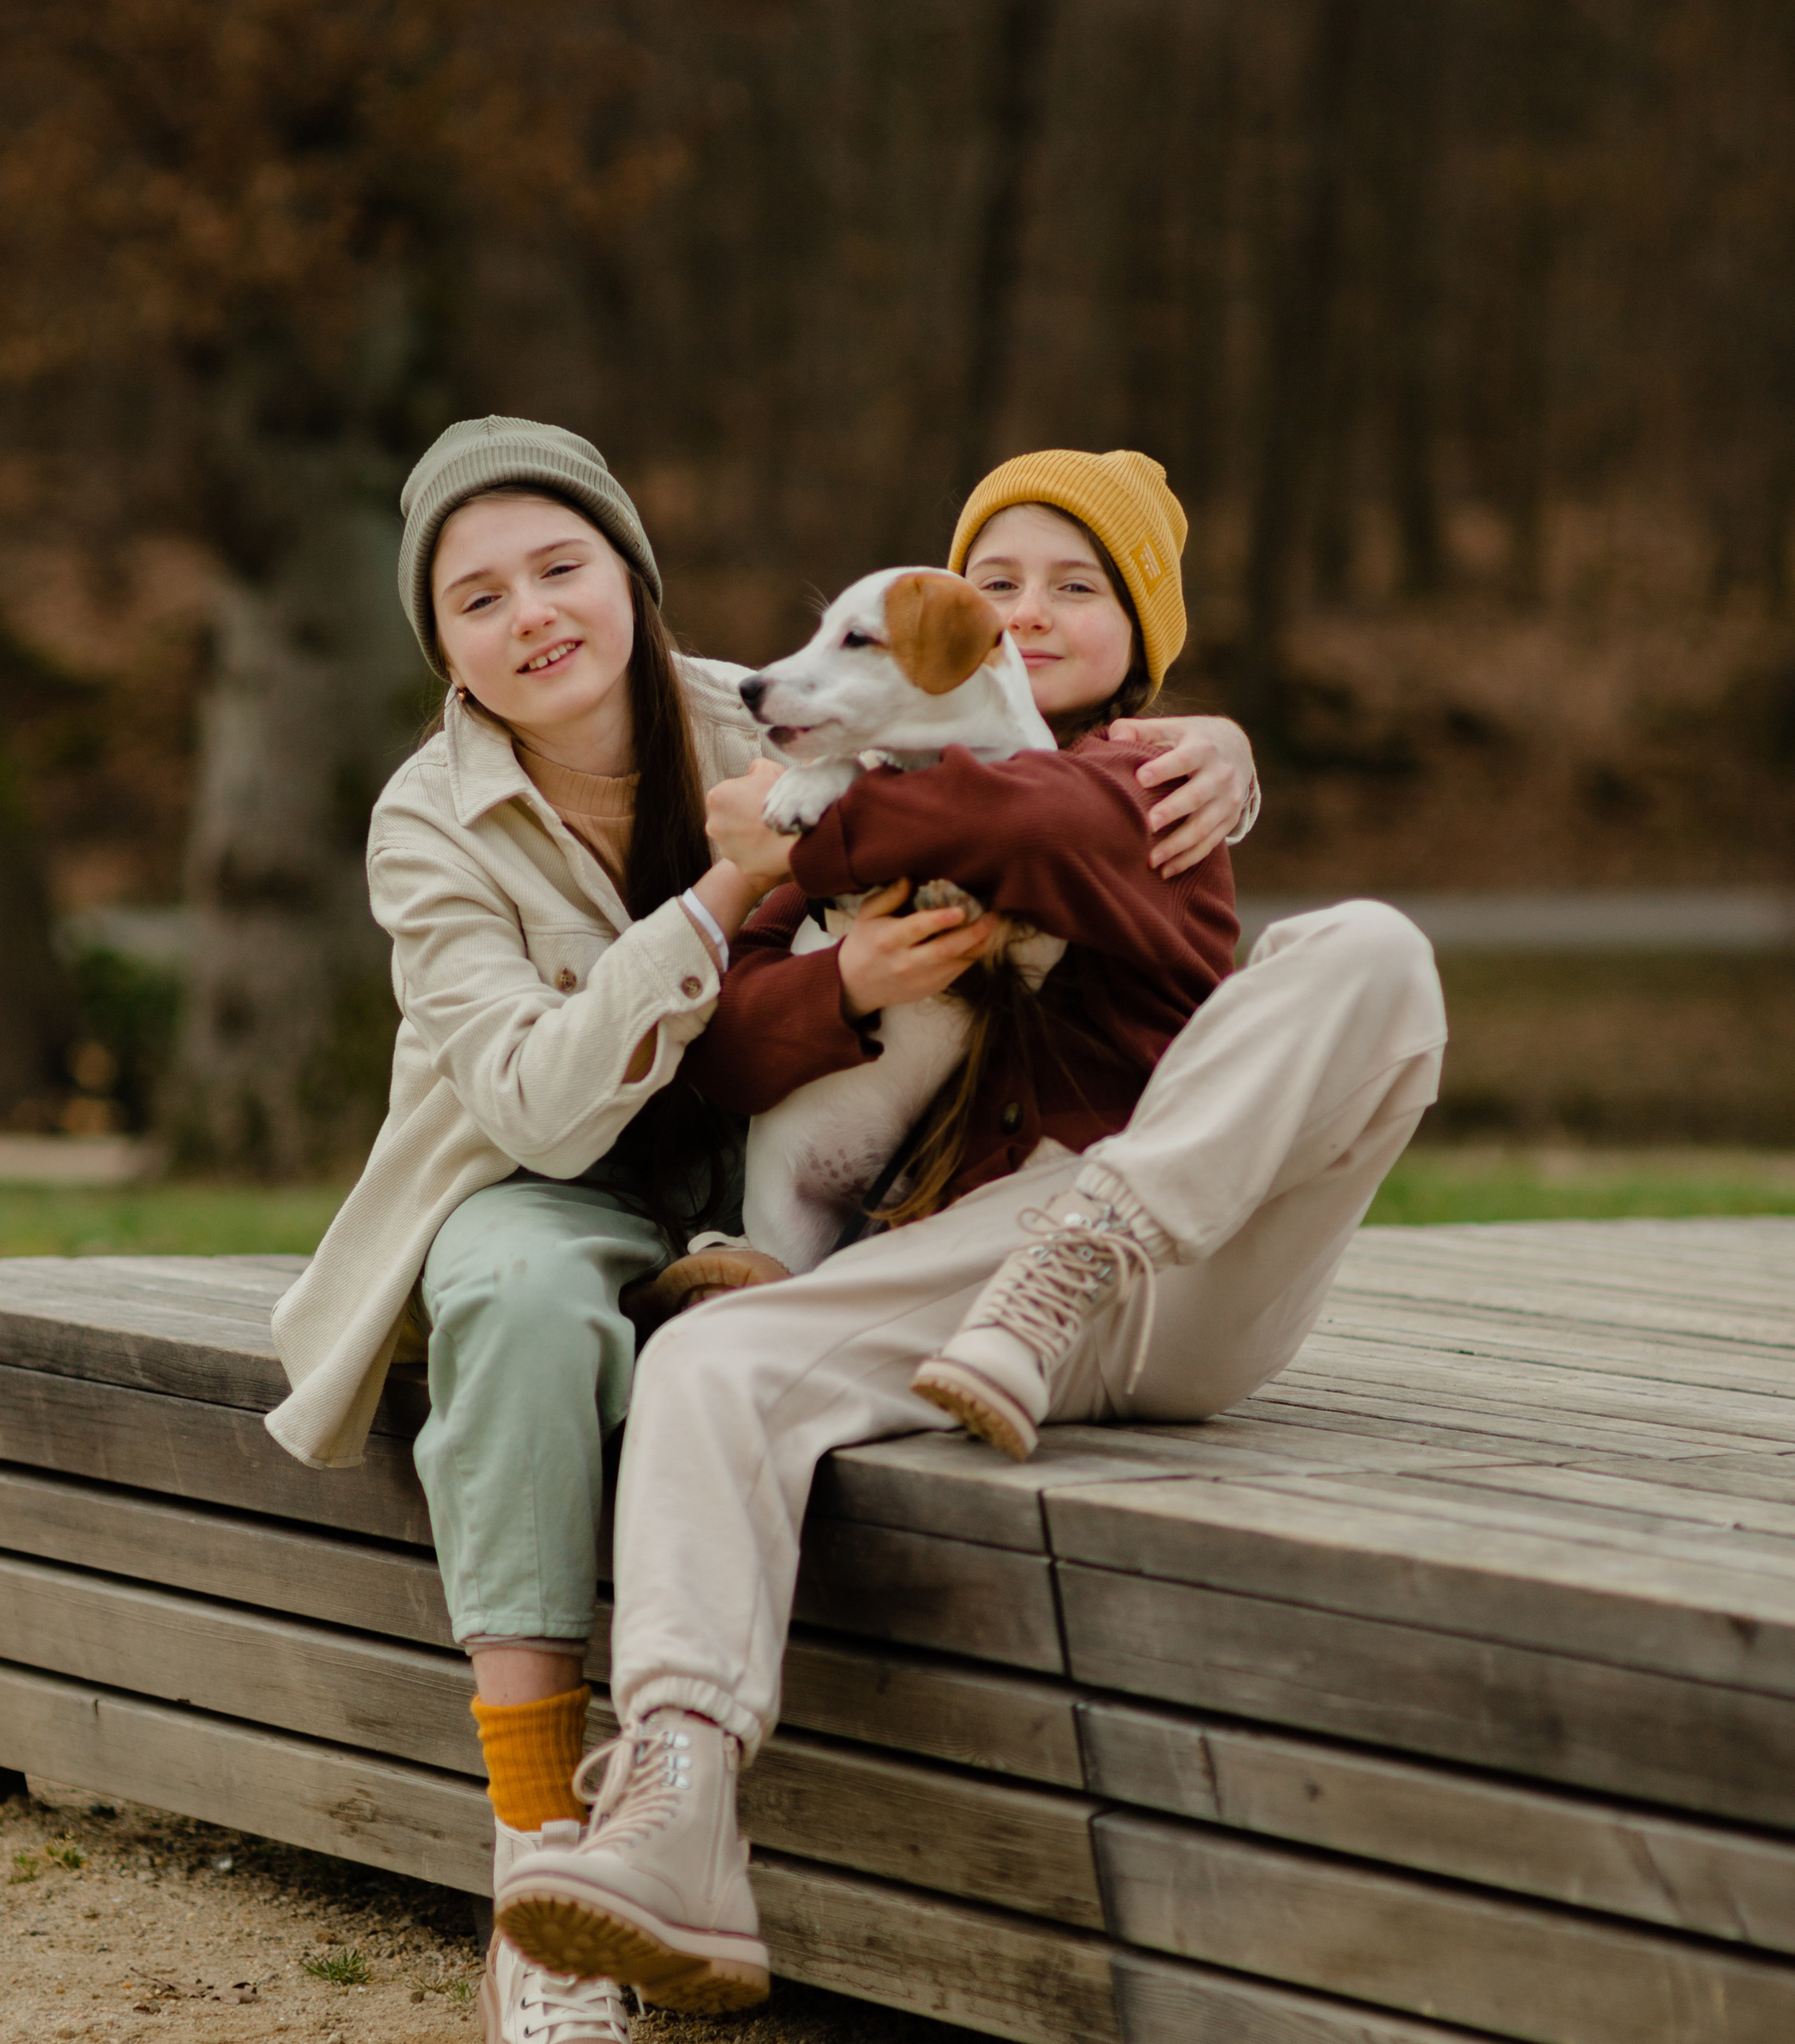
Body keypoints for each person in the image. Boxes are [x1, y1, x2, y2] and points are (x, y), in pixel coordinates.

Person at [261, 419, 1260, 2044]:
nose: (530, 615)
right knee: (513, 1308)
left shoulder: (757, 702)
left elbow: (1008, 731)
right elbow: (526, 1101)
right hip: (560, 1164)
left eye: (562, 567)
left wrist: (1202, 736)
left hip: (781, 1154)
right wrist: (733, 908)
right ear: (439, 645)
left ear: (633, 580)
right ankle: (538, 1858)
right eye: (476, 597)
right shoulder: (427, 816)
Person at [495, 449, 1448, 2013]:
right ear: (941, 620)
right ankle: (674, 1808)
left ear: (1140, 643)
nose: (1027, 610)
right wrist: (834, 979)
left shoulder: (1159, 781)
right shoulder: (852, 791)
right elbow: (720, 1050)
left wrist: (807, 836)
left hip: (1167, 1253)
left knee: (1370, 948)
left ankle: (1086, 1245)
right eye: (993, 581)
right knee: (712, 1363)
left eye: (1077, 586)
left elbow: (1037, 821)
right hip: (972, 1276)